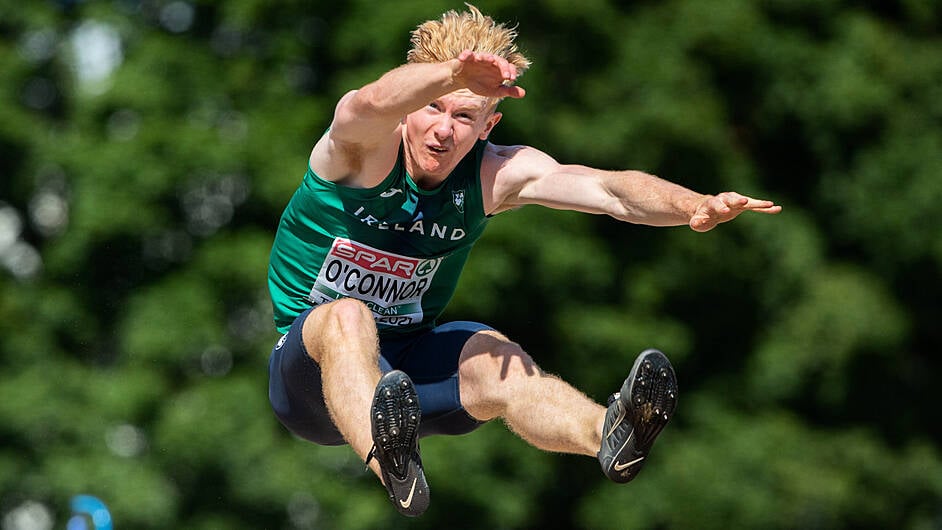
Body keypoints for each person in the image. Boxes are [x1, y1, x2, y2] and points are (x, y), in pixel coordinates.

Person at [266, 4, 781, 517]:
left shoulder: (493, 176)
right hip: (311, 378)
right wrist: (452, 73)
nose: (443, 132)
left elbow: (610, 190)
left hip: (407, 367)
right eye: (434, 108)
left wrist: (693, 205)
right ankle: (392, 462)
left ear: (489, 124)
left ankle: (609, 432)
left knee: (496, 355)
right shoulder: (359, 153)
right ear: (409, 107)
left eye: (464, 116)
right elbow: (369, 101)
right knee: (347, 315)